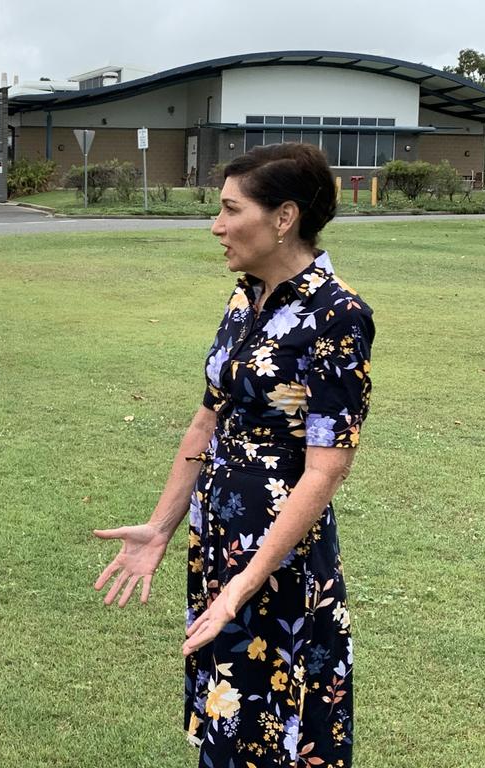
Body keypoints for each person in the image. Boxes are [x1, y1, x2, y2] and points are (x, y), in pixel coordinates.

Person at [94, 143, 373, 767]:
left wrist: (245, 584)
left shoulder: (339, 315)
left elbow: (328, 467)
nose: (216, 227)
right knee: (229, 725)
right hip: (218, 538)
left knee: (281, 729)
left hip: (281, 559)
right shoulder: (244, 298)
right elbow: (207, 417)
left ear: (283, 218)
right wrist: (161, 527)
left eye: (229, 210)